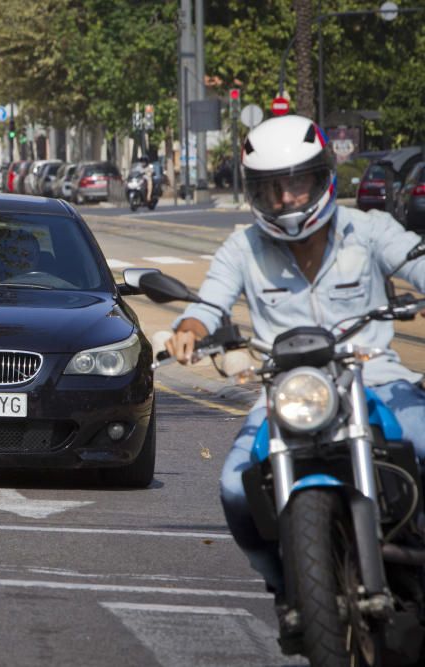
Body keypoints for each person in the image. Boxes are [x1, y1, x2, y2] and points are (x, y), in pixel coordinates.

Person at [163, 114, 425, 649]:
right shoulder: (243, 247)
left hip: (373, 372)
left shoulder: (367, 229)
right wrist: (188, 329)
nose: (285, 198)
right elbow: (210, 302)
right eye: (269, 188)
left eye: (295, 182)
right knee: (236, 487)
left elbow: (415, 260)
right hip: (287, 390)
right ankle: (290, 592)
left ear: (322, 177)